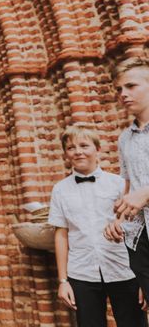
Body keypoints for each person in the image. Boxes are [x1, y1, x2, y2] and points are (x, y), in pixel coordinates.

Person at [48, 125, 146, 326]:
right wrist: (63, 281)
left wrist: (144, 279)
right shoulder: (59, 190)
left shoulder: (119, 184)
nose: (78, 151)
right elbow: (61, 234)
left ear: (97, 149)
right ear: (66, 153)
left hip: (123, 268)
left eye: (84, 145)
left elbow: (137, 228)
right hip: (82, 273)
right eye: (71, 147)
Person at [104, 56, 149, 306]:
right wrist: (118, 220)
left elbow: (140, 193)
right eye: (119, 89)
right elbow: (129, 186)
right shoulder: (124, 139)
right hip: (139, 239)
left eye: (131, 86)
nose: (123, 94)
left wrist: (147, 193)